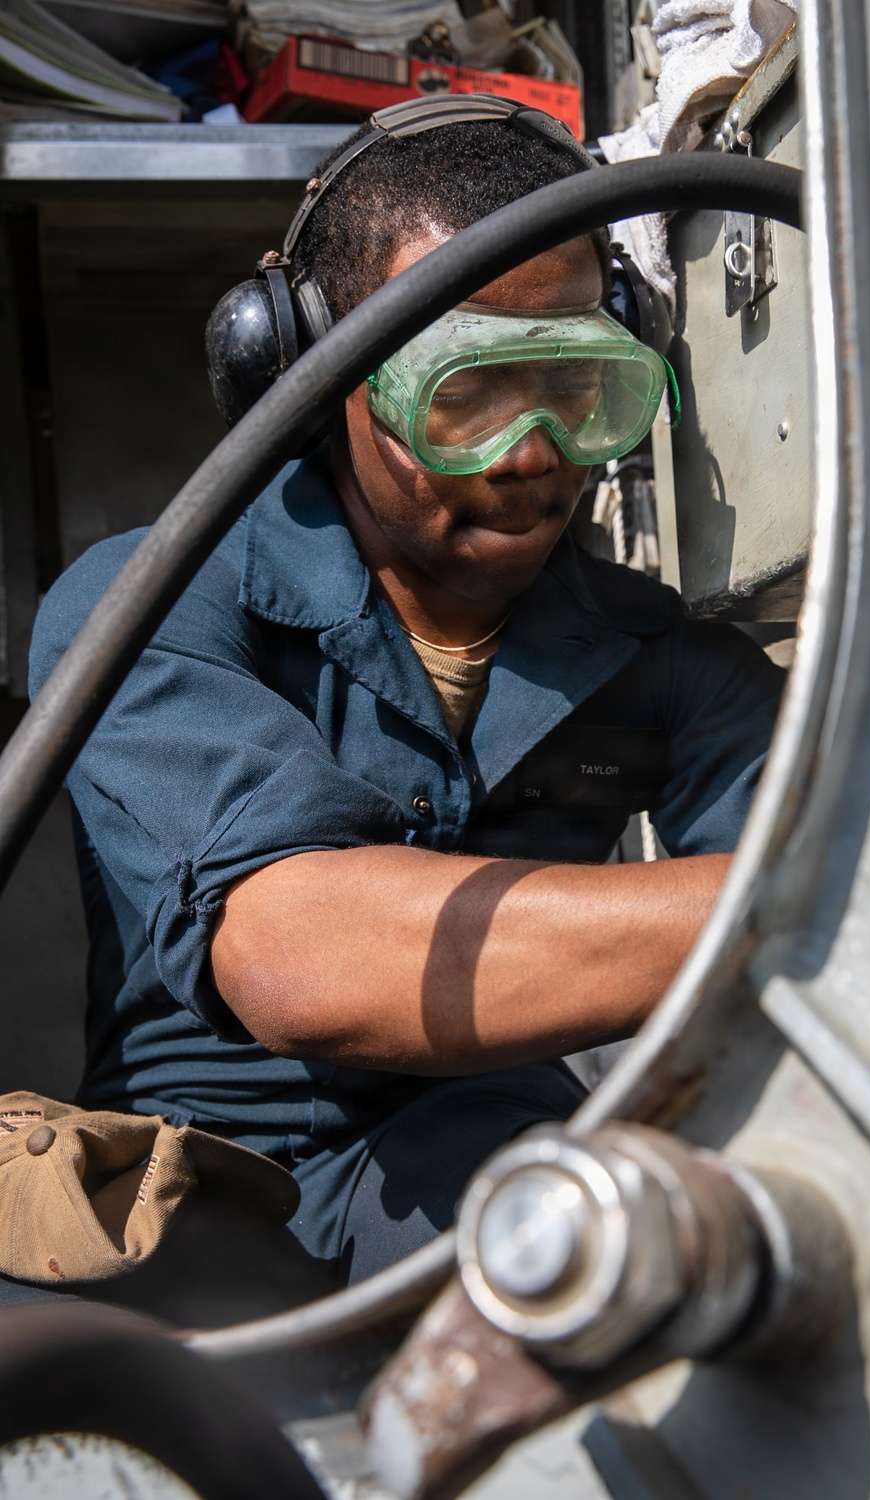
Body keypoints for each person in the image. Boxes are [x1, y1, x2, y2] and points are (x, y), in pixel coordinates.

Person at [27, 106, 784, 1304]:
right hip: (192, 1196)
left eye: (578, 388)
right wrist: (809, 895)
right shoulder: (146, 604)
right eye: (469, 395)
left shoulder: (664, 664)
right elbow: (304, 959)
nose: (533, 454)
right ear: (317, 379)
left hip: (487, 1177)